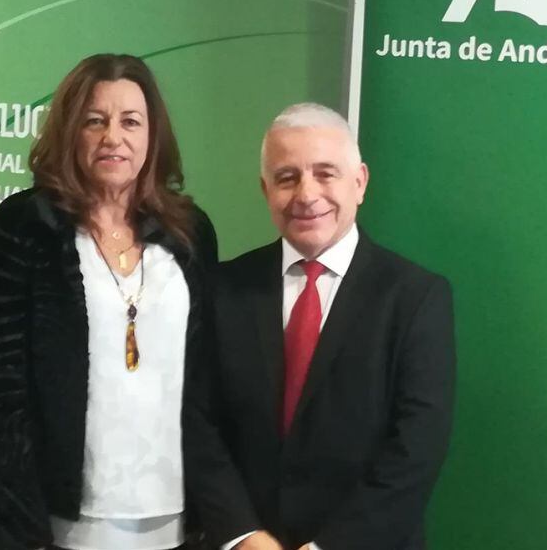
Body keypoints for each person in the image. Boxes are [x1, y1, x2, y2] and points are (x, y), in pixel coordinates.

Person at [0, 54, 218, 550]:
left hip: (171, 511)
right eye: (95, 121)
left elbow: (208, 377)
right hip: (64, 518)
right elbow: (1, 388)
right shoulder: (27, 226)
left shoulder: (190, 231)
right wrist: (20, 522)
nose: (114, 137)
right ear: (70, 132)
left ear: (153, 136)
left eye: (131, 121)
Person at [187, 103, 455, 550]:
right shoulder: (224, 290)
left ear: (360, 182)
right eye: (287, 177)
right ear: (265, 188)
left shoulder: (415, 298)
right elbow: (196, 423)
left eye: (326, 173)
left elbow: (416, 448)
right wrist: (243, 535)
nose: (306, 194)